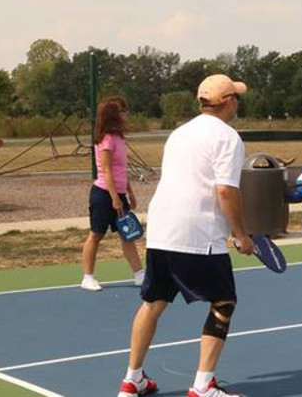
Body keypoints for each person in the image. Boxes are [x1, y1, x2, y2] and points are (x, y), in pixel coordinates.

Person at [117, 74, 254, 397]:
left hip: (162, 229)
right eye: (236, 97)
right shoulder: (228, 137)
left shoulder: (179, 134)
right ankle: (203, 386)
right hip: (198, 233)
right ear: (229, 102)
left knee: (153, 301)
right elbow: (225, 191)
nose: (238, 102)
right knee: (224, 301)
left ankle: (131, 380)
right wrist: (240, 235)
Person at [81, 96, 144, 292]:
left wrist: (129, 193)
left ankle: (140, 274)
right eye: (123, 111)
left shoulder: (119, 139)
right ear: (113, 116)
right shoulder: (106, 140)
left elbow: (121, 171)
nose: (127, 115)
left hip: (118, 194)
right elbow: (106, 171)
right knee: (96, 235)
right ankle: (88, 277)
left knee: (128, 235)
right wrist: (115, 198)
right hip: (102, 195)